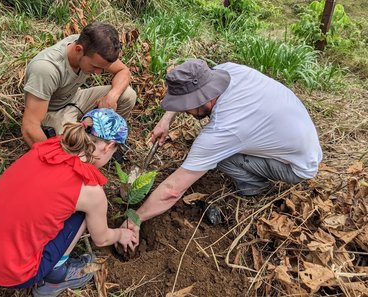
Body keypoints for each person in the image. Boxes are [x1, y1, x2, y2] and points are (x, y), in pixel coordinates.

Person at [121, 59, 323, 245]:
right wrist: (165, 120)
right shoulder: (225, 71)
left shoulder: (226, 128)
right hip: (297, 135)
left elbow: (173, 190)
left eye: (186, 108)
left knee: (221, 158)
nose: (186, 113)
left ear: (199, 99)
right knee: (217, 151)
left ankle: (254, 187)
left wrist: (136, 218)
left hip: (296, 166)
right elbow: (189, 89)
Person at [0, 108, 137, 297]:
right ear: (108, 146)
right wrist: (121, 234)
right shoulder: (90, 192)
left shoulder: (50, 147)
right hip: (15, 273)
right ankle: (57, 275)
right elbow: (101, 238)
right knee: (83, 214)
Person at [21, 22, 137, 147]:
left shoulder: (91, 47)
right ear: (78, 50)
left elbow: (123, 71)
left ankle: (104, 142)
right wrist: (51, 157)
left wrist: (112, 96)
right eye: (95, 67)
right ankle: (82, 149)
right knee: (73, 143)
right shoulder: (46, 69)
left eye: (102, 68)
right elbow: (30, 127)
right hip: (52, 111)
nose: (98, 73)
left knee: (127, 95)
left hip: (75, 98)